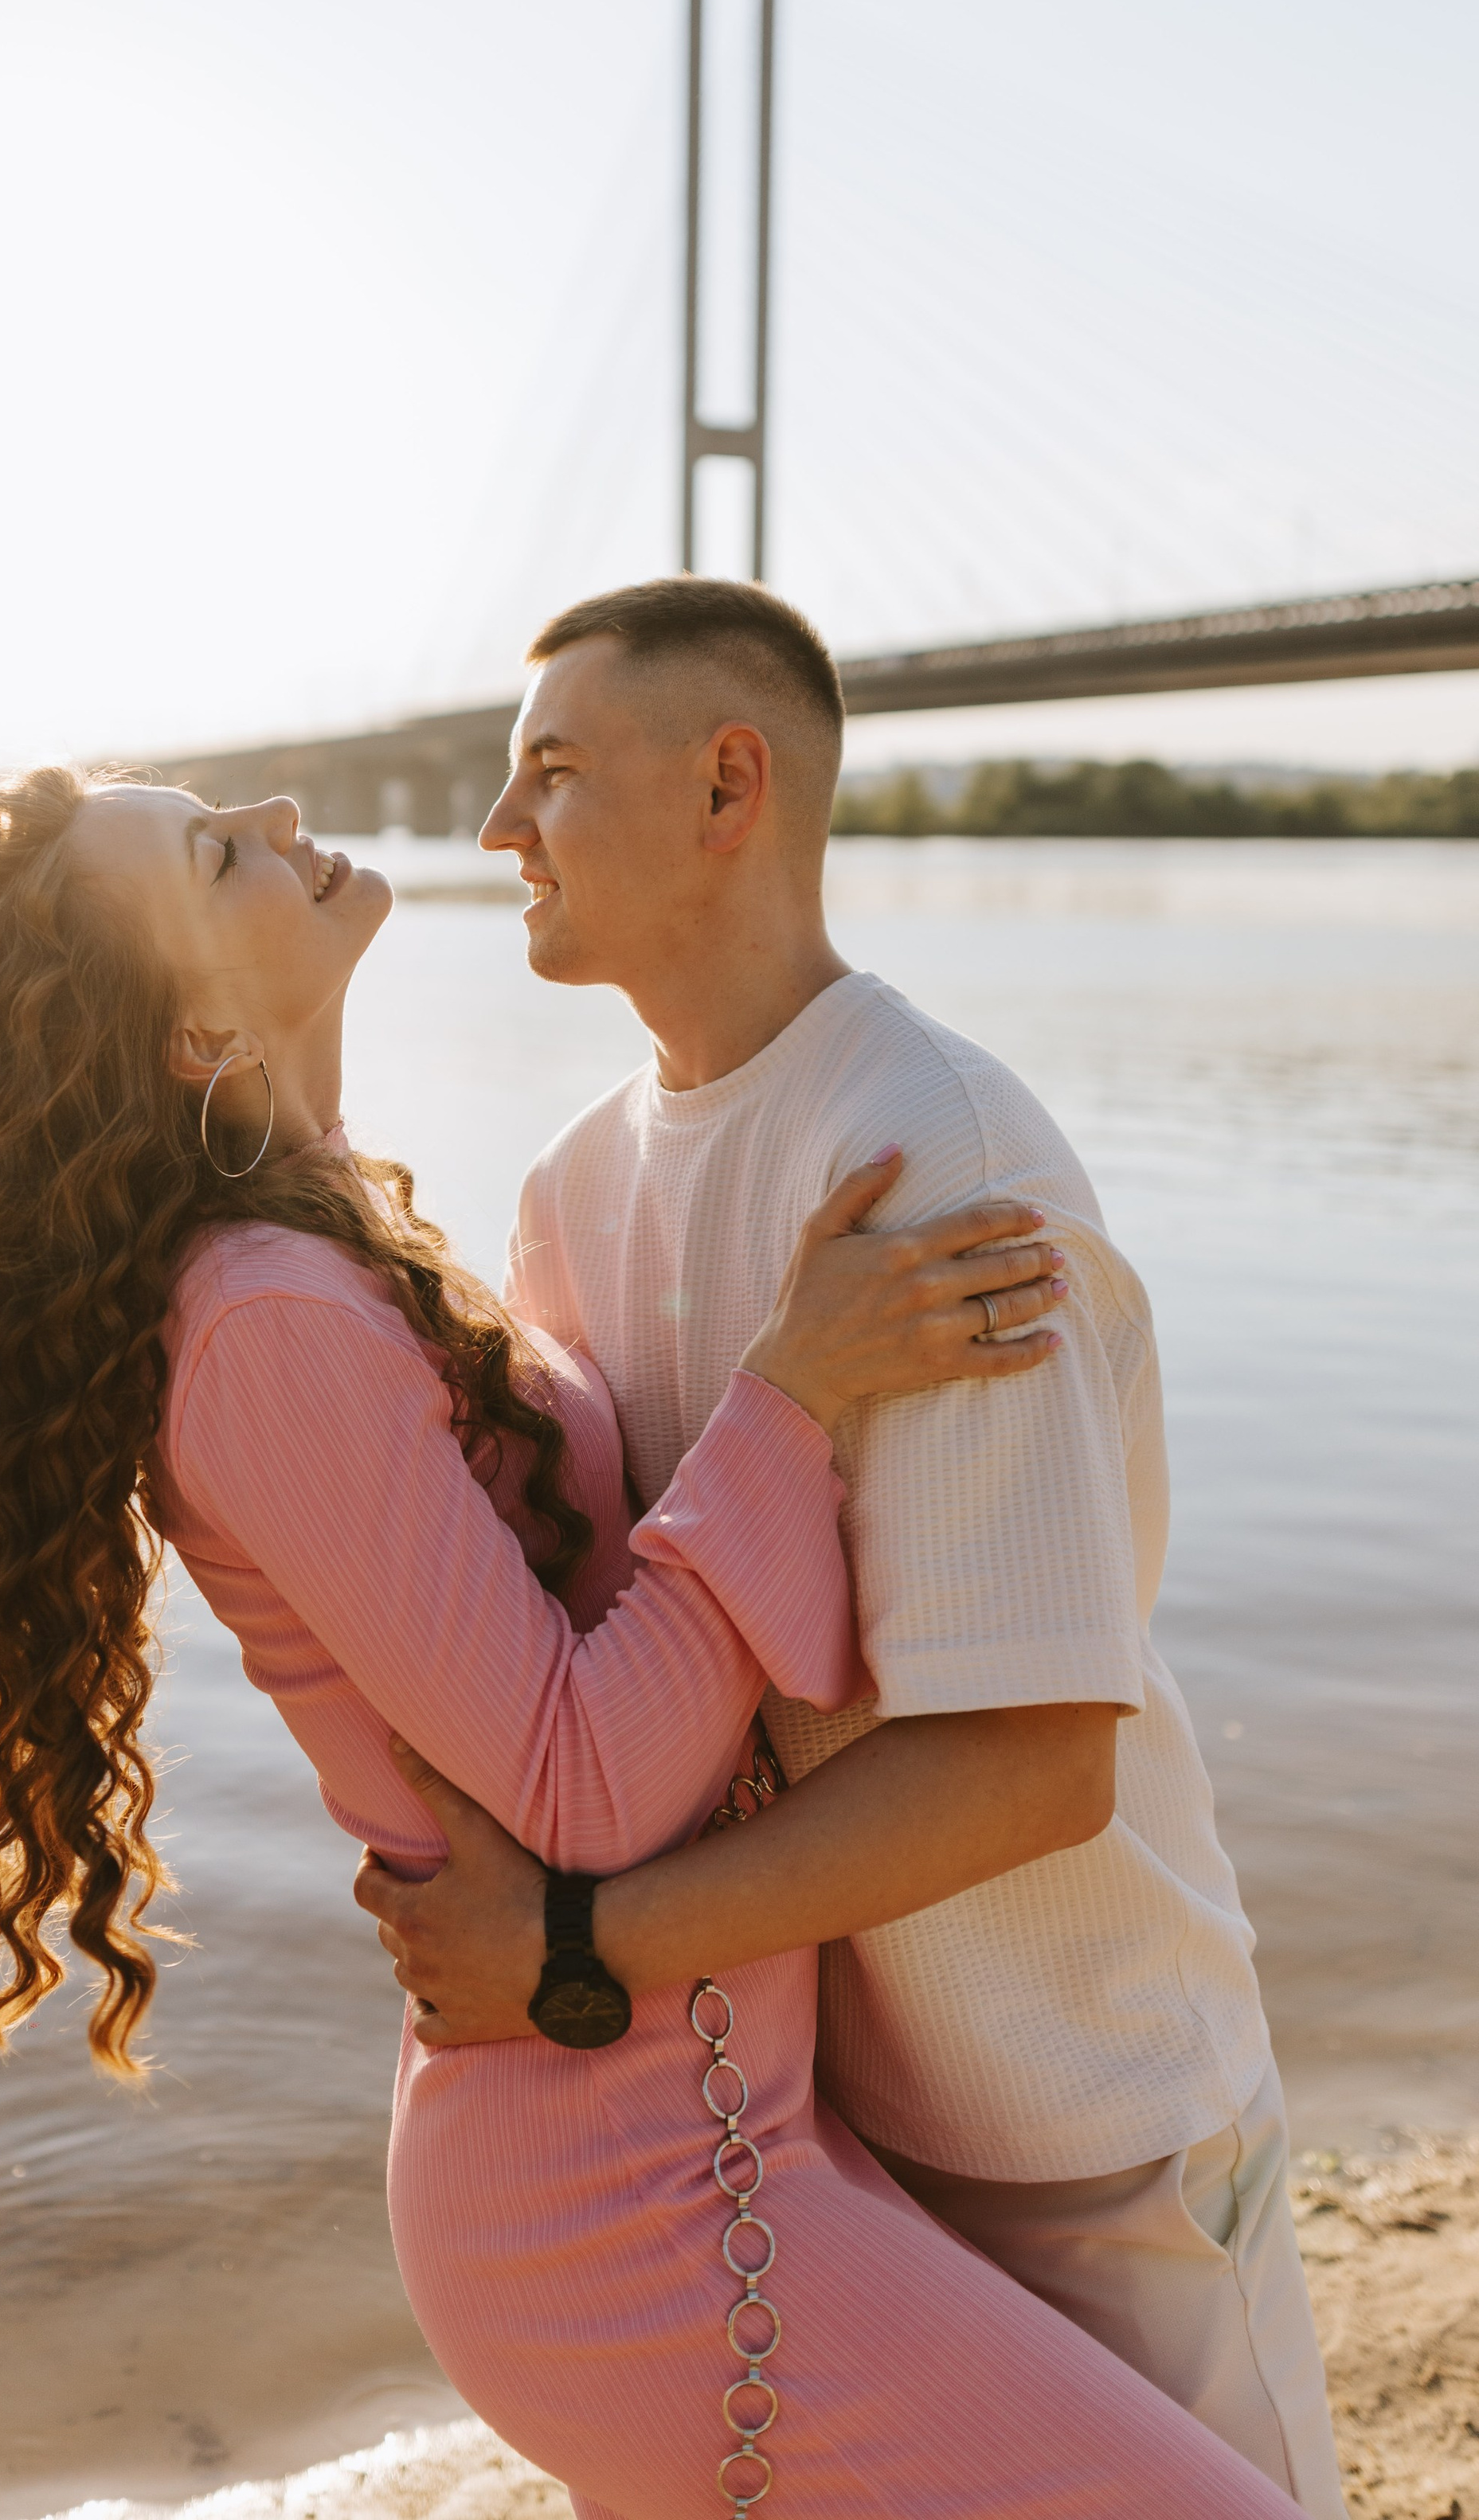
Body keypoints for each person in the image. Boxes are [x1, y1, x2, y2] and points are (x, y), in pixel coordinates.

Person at [0, 761, 1305, 2520]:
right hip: (626, 2200)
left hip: (695, 2125)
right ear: (186, 1032)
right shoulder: (260, 1318)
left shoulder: (332, 1250)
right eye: (210, 850)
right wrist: (794, 1390)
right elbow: (581, 1779)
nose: (272, 809)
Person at [356, 575, 1345, 2520]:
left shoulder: (933, 1159)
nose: (494, 832)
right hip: (817, 2145)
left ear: (730, 784)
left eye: (546, 773)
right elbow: (637, 1645)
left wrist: (568, 1953)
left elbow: (1035, 1763)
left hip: (1083, 2113)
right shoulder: (571, 1188)